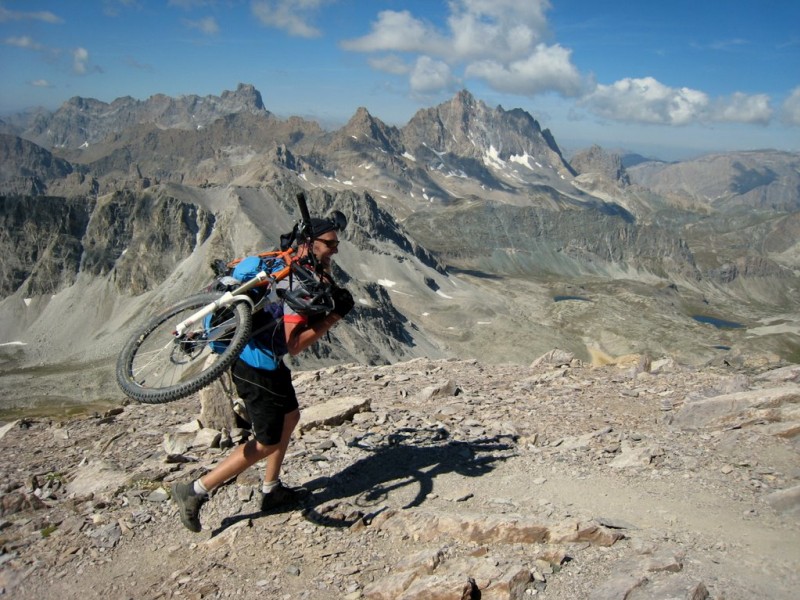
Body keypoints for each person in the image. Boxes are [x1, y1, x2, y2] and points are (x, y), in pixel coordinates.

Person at [171, 214, 355, 533]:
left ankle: (271, 490)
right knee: (268, 440)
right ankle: (195, 490)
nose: (336, 250)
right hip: (254, 360)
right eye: (331, 244)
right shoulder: (301, 283)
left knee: (290, 417)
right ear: (310, 244)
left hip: (259, 351)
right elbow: (294, 344)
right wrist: (333, 317)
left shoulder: (280, 259)